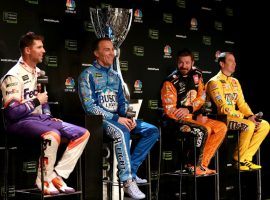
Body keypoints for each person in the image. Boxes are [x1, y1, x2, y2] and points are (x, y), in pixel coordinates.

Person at [0, 32, 90, 195]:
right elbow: (11, 113)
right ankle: (43, 178)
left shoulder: (38, 73)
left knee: (82, 133)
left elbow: (45, 100)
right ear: (28, 50)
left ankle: (57, 174)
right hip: (18, 123)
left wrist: (47, 116)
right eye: (39, 47)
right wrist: (36, 101)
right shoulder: (13, 76)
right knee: (52, 134)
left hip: (39, 120)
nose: (44, 50)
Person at [78, 37, 159, 199]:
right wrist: (117, 119)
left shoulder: (115, 76)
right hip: (99, 122)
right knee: (121, 131)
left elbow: (123, 103)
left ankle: (132, 171)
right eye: (106, 49)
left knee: (152, 131)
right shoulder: (87, 75)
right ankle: (127, 181)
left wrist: (129, 116)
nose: (111, 53)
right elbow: (90, 108)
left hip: (117, 119)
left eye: (112, 49)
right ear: (96, 53)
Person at [161, 48, 227, 175]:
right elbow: (170, 111)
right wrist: (187, 114)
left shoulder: (197, 74)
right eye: (181, 62)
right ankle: (192, 165)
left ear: (192, 62)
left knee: (221, 127)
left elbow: (201, 97)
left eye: (187, 63)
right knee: (204, 129)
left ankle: (202, 165)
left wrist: (194, 112)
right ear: (177, 62)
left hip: (192, 116)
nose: (184, 66)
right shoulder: (170, 81)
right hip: (174, 122)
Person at [206, 52, 269, 170]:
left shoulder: (235, 81)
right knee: (249, 125)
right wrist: (245, 118)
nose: (234, 63)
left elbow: (242, 104)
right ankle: (238, 160)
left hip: (235, 117)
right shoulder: (214, 82)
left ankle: (246, 158)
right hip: (221, 119)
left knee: (264, 125)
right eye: (230, 61)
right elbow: (223, 108)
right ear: (221, 63)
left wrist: (251, 115)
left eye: (234, 61)